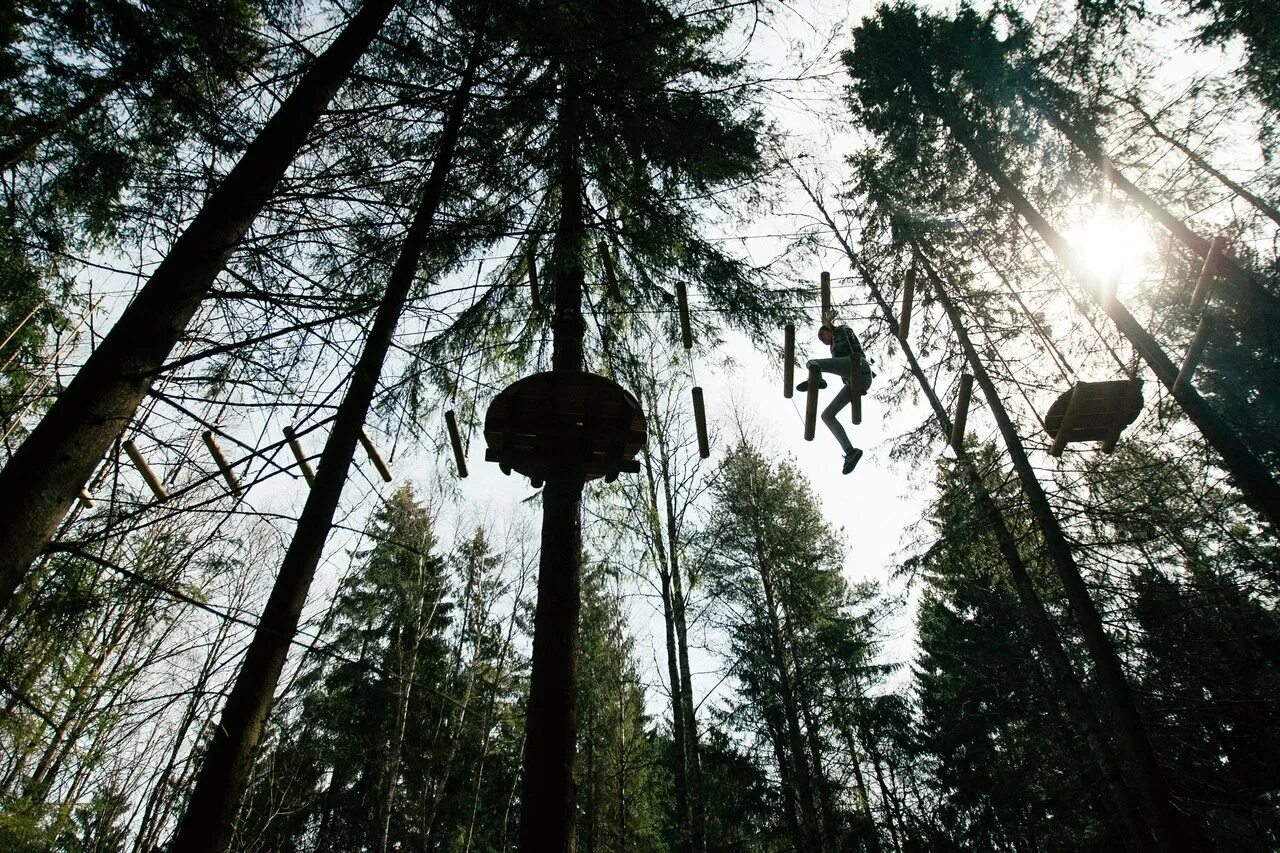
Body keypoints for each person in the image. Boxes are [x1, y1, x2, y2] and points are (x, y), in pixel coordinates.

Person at [797, 320, 873, 474]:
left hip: (859, 367)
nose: (822, 339)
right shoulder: (834, 343)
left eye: (822, 335)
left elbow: (843, 347)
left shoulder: (842, 331)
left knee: (813, 363)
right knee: (827, 415)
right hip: (854, 382)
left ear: (829, 330)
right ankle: (851, 452)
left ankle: (817, 378)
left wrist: (831, 325)